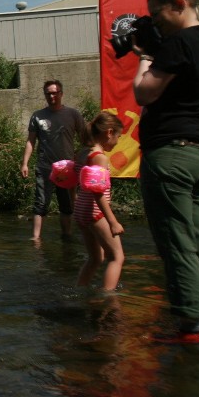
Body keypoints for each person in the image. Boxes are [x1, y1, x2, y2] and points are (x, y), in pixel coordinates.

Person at [133, 0, 199, 343]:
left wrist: (144, 55)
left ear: (179, 3)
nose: (157, 23)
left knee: (177, 242)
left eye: (158, 16)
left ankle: (188, 323)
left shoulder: (179, 42)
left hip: (170, 155)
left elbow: (145, 92)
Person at [21, 80, 86, 241]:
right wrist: (25, 163)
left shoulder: (73, 114)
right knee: (41, 202)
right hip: (44, 166)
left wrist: (82, 157)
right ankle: (36, 238)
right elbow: (31, 141)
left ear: (61, 94)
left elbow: (85, 137)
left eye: (54, 92)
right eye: (48, 93)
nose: (51, 96)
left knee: (66, 204)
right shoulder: (37, 116)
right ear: (45, 95)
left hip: (67, 167)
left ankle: (67, 234)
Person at [73, 112, 125, 291]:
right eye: (118, 136)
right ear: (109, 132)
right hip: (94, 211)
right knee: (117, 257)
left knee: (96, 258)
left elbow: (72, 180)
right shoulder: (99, 157)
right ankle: (107, 297)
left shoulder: (82, 153)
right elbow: (98, 192)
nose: (117, 141)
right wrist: (112, 221)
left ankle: (80, 289)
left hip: (81, 209)